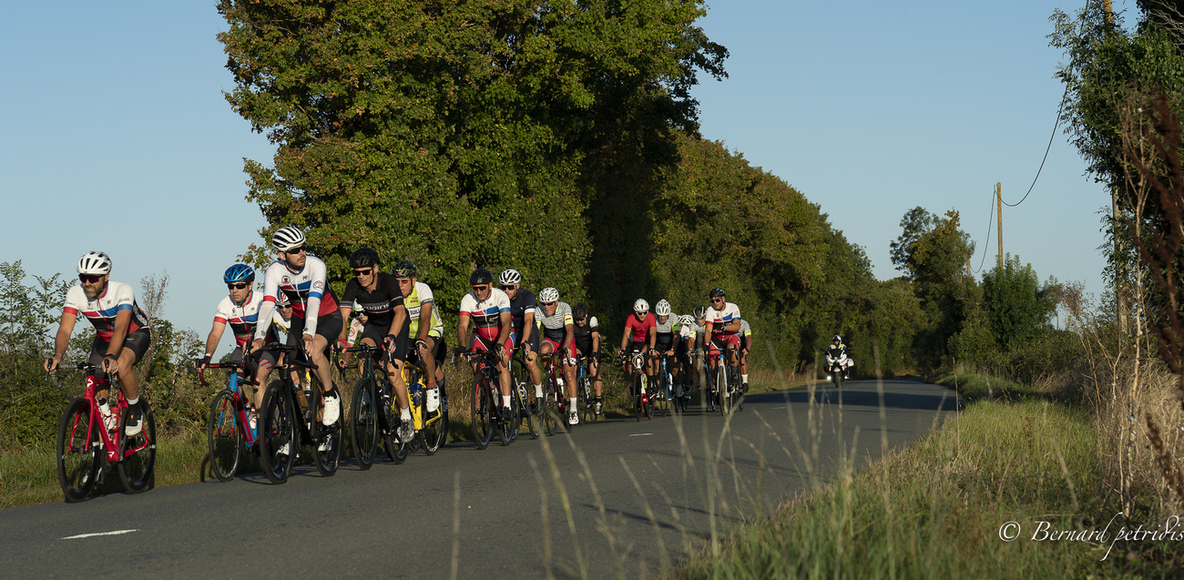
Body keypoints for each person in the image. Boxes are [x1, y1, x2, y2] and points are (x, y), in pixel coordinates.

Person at [45, 252, 151, 436]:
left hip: (134, 333)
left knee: (121, 365)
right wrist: (58, 356)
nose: (87, 283)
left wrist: (111, 356)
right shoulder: (75, 293)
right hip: (104, 338)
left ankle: (135, 408)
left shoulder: (122, 290)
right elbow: (65, 329)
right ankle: (103, 441)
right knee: (96, 377)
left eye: (93, 278)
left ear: (106, 276)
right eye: (83, 278)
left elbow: (121, 328)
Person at [251, 225, 343, 431]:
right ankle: (299, 422)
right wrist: (260, 336)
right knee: (291, 368)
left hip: (327, 317)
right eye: (295, 250)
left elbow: (314, 301)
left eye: (303, 247)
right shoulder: (274, 271)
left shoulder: (316, 265)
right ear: (282, 255)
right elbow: (267, 305)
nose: (302, 253)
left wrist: (309, 334)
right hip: (299, 321)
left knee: (315, 351)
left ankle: (330, 395)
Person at [337, 247, 414, 442]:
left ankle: (406, 416)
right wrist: (342, 341)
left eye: (365, 272)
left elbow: (400, 312)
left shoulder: (388, 281)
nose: (361, 276)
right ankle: (368, 397)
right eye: (357, 272)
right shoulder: (353, 285)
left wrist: (391, 337)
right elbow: (343, 316)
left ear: (375, 269)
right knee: (363, 353)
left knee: (392, 373)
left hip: (396, 326)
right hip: (374, 326)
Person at [197, 264, 280, 425]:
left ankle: (262, 427)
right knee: (232, 382)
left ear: (250, 285)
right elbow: (216, 332)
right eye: (231, 286)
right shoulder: (225, 305)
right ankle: (247, 409)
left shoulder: (262, 301)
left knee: (258, 379)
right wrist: (208, 356)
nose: (234, 290)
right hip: (242, 348)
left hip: (267, 347)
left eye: (240, 286)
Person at [457, 268, 514, 420]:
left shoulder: (500, 296)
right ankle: (489, 392)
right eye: (475, 288)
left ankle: (507, 406)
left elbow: (506, 323)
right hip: (482, 338)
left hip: (503, 336)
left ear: (490, 285)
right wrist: (462, 346)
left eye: (482, 288)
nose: (478, 292)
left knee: (501, 362)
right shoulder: (468, 299)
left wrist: (500, 344)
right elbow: (462, 326)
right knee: (476, 365)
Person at [392, 260, 446, 413]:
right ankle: (405, 413)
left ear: (413, 280)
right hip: (407, 336)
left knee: (424, 350)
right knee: (402, 372)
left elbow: (426, 317)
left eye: (404, 281)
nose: (400, 285)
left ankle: (432, 386)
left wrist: (421, 340)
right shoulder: (393, 294)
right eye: (397, 281)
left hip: (431, 330)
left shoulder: (423, 289)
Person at [500, 268, 543, 410]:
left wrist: (524, 341)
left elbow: (529, 321)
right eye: (503, 287)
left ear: (517, 285)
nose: (506, 290)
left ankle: (539, 394)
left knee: (529, 362)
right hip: (511, 332)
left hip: (527, 330)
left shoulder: (527, 296)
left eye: (510, 287)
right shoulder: (499, 297)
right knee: (502, 361)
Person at [535, 287, 579, 425]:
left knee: (569, 374)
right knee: (543, 349)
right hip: (551, 339)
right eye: (543, 304)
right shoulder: (538, 310)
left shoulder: (565, 308)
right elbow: (535, 330)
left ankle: (573, 410)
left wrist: (566, 347)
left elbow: (570, 330)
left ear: (556, 302)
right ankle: (549, 377)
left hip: (566, 339)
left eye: (550, 303)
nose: (546, 307)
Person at [571, 303, 604, 415]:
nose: (579, 322)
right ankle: (579, 390)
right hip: (579, 347)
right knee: (573, 370)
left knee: (594, 372)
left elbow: (595, 338)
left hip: (592, 346)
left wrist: (594, 353)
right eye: (577, 320)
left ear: (586, 315)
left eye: (582, 319)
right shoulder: (571, 322)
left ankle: (598, 400)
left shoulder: (592, 320)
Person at [618, 298, 657, 392]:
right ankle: (633, 381)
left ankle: (651, 382)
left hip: (647, 341)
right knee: (630, 360)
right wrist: (623, 349)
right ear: (636, 312)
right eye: (640, 313)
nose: (643, 315)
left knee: (647, 357)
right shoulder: (631, 318)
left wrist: (652, 348)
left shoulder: (651, 317)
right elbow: (626, 334)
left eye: (645, 313)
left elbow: (653, 334)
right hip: (636, 342)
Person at [703, 288, 742, 379]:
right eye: (712, 301)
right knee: (714, 367)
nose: (715, 303)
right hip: (717, 339)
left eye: (717, 300)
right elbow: (708, 330)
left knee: (732, 349)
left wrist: (724, 327)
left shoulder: (733, 307)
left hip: (731, 336)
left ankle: (734, 375)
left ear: (723, 299)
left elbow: (737, 326)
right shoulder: (710, 310)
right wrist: (706, 344)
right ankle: (717, 385)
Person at [653, 299, 683, 399]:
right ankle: (660, 389)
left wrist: (673, 350)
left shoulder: (674, 317)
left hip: (671, 341)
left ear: (668, 314)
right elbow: (651, 335)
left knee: (674, 364)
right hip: (659, 342)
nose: (662, 318)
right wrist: (652, 349)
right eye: (660, 315)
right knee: (656, 364)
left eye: (664, 315)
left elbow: (676, 335)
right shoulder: (653, 318)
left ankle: (678, 384)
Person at [738, 318, 753, 392]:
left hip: (741, 341)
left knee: (742, 359)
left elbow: (749, 337)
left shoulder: (744, 323)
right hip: (730, 341)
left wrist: (747, 349)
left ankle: (745, 382)